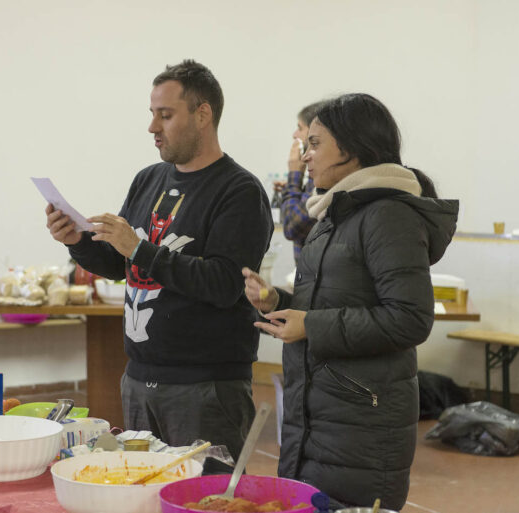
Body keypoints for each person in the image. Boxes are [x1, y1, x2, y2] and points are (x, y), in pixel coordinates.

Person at [46, 60, 273, 461]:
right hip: (138, 378)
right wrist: (78, 241)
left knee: (204, 502)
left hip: (205, 387)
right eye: (152, 115)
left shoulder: (239, 191)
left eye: (165, 115)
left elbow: (223, 283)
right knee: (142, 495)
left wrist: (139, 248)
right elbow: (124, 265)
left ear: (203, 114)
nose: (153, 127)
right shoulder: (148, 179)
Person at [242, 93, 458, 510]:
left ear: (353, 148)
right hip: (322, 410)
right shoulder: (335, 212)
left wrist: (311, 326)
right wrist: (277, 300)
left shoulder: (388, 216)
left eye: (316, 143)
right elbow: (330, 301)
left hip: (361, 421)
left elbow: (410, 319)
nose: (305, 156)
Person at [277, 101, 326, 264]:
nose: (294, 135)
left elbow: (292, 227)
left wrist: (294, 176)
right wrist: (293, 189)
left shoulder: (324, 180)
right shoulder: (314, 179)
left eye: (300, 128)